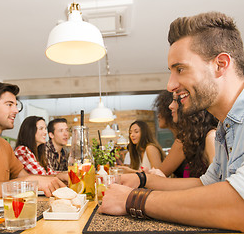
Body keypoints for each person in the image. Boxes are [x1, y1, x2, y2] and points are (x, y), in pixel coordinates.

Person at [98, 12, 244, 231]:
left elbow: (238, 205)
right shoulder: (226, 127)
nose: (170, 85)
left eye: (180, 69)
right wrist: (143, 181)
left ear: (220, 64)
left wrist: (133, 200)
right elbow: (206, 183)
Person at [0, 83, 65, 201]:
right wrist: (27, 182)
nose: (16, 111)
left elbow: (26, 178)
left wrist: (60, 177)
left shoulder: (5, 146)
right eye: (9, 104)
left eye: (16, 105)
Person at [153, 91, 217, 178]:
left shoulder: (209, 137)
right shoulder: (193, 138)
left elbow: (215, 184)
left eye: (175, 100)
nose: (170, 106)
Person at [14, 116, 68, 182]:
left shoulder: (38, 151)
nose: (45, 132)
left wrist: (65, 174)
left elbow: (49, 172)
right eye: (41, 128)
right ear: (31, 131)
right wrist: (63, 175)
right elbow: (42, 175)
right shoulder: (22, 151)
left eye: (45, 128)